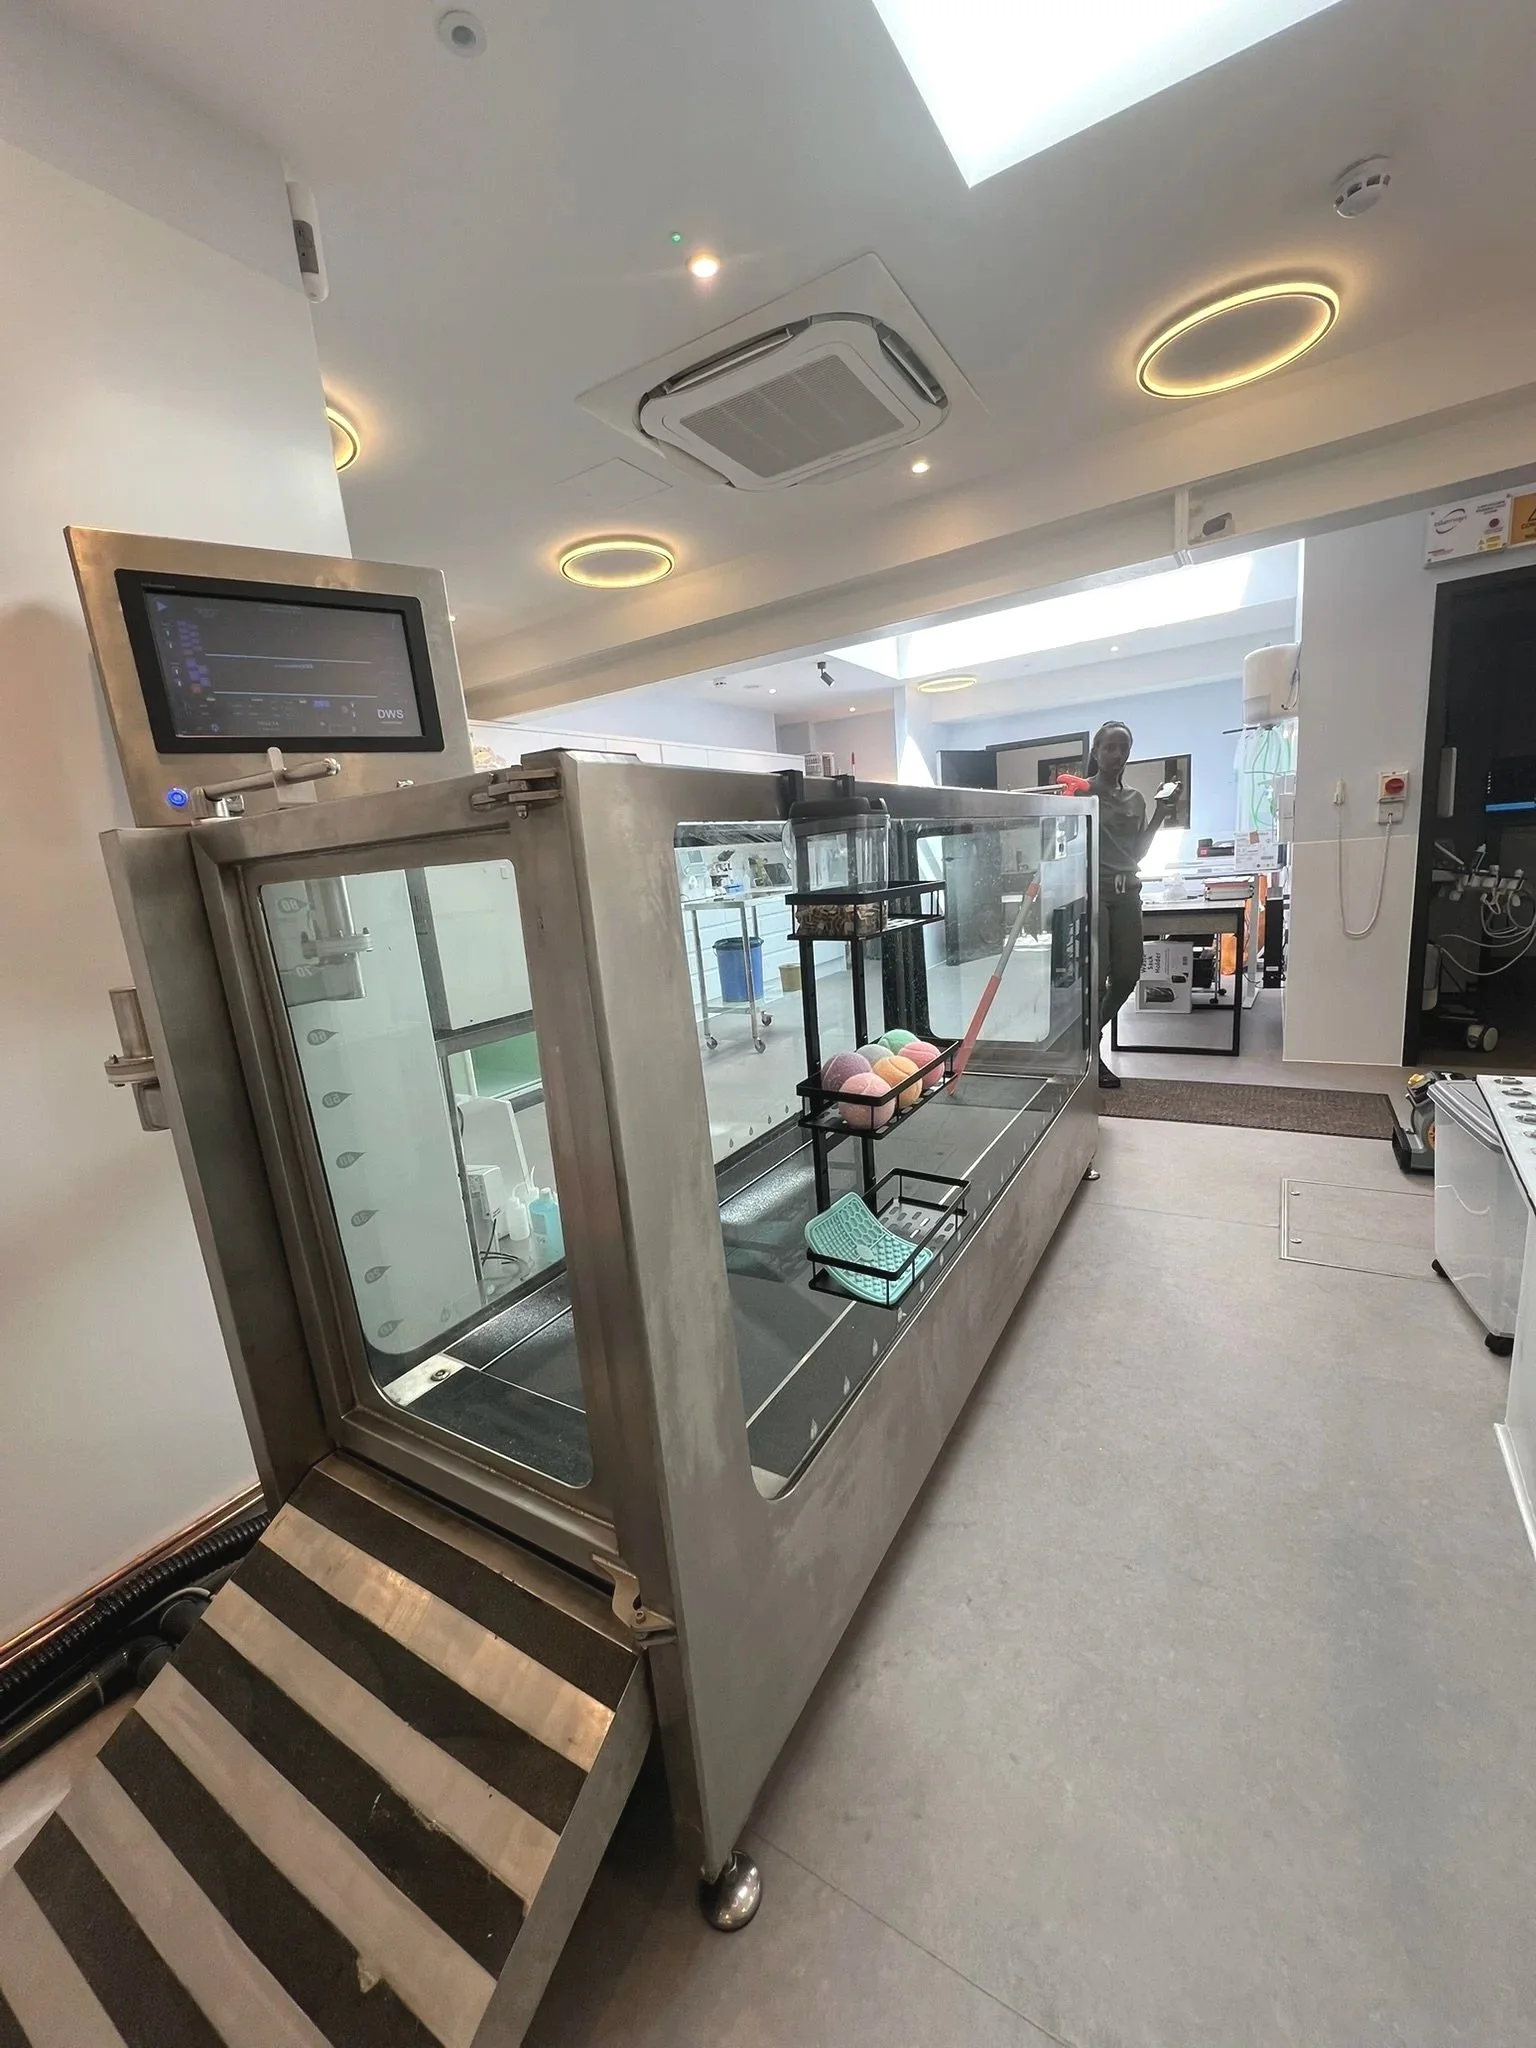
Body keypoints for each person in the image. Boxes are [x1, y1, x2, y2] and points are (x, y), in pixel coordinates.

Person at [1085, 720, 1180, 1090]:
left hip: (1128, 893)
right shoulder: (1080, 795)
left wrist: (1160, 812)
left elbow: (1138, 851)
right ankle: (1092, 1057)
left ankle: (1089, 1040)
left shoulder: (1136, 799)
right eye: (1109, 747)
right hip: (1095, 893)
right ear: (1096, 752)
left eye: (1123, 747)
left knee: (1127, 974)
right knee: (1096, 976)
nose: (1116, 754)